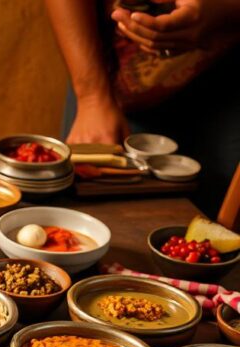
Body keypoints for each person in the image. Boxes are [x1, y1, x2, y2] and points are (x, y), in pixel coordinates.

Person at [44, 0, 240, 217]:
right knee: (93, 216)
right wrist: (92, 98)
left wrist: (225, 8)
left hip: (230, 77)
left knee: (218, 230)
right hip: (104, 79)